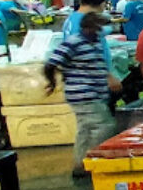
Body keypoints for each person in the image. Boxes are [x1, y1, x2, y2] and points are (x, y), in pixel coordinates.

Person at [44, 13, 118, 177]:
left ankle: (81, 165)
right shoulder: (73, 42)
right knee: (104, 126)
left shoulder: (96, 42)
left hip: (96, 93)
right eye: (101, 27)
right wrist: (52, 83)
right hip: (83, 94)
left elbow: (98, 65)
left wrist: (108, 78)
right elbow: (51, 64)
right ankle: (93, 161)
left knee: (85, 130)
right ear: (90, 27)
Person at [62, 0, 122, 89]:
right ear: (101, 4)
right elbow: (87, 53)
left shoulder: (71, 18)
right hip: (89, 79)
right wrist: (108, 76)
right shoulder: (84, 22)